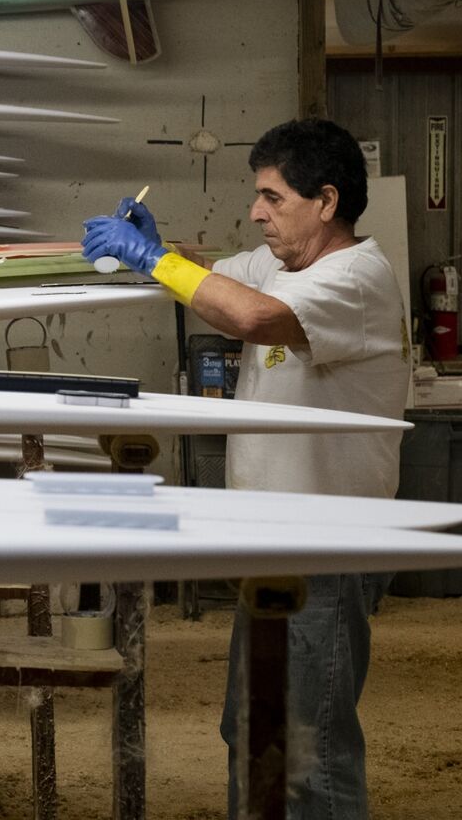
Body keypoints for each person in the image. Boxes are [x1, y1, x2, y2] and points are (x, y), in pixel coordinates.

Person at [81, 117, 410, 820]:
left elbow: (255, 318)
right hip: (275, 544)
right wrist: (159, 245)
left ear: (326, 201)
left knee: (308, 744)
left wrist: (149, 258)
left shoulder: (356, 277)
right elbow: (212, 285)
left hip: (328, 544)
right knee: (254, 728)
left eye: (272, 197)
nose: (257, 212)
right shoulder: (282, 263)